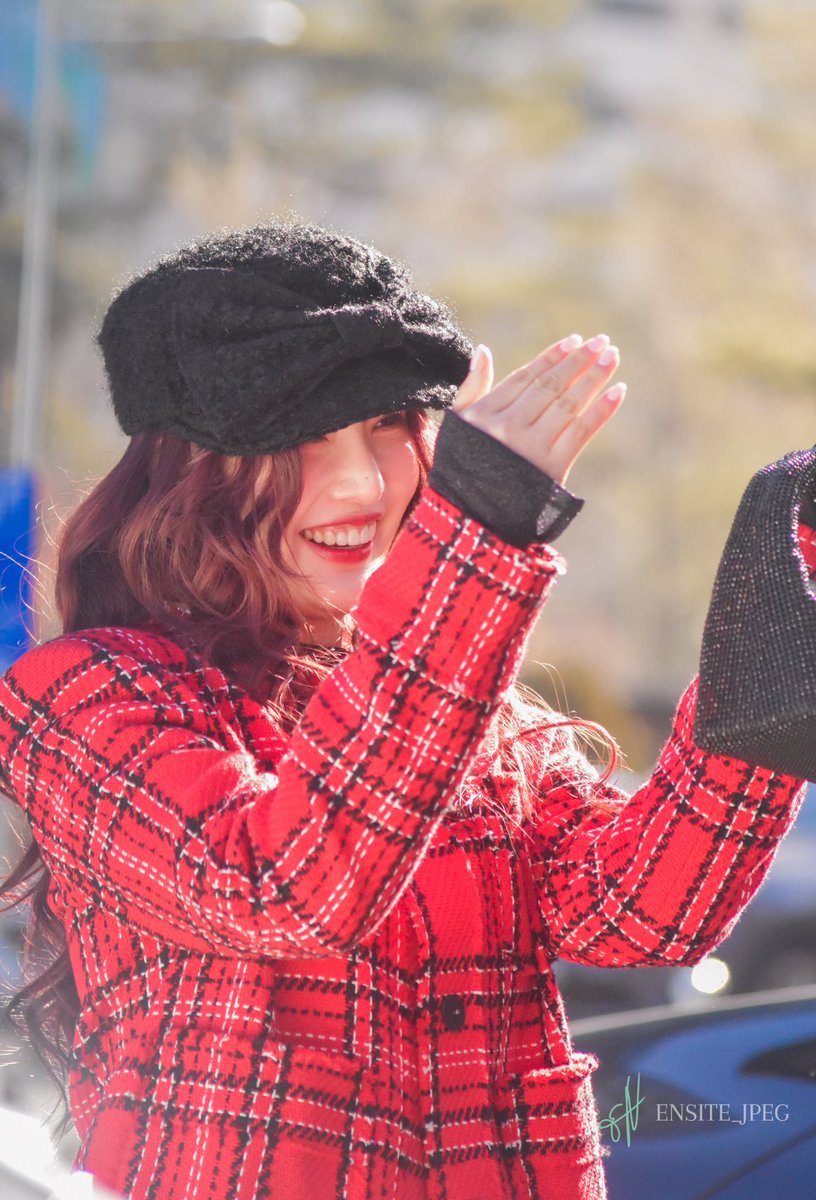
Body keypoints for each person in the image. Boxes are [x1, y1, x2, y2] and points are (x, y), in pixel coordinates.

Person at [0, 220, 812, 1200]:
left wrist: (766, 689)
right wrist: (471, 540)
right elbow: (282, 886)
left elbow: (635, 918)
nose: (360, 484)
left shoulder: (454, 693)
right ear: (185, 471)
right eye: (298, 436)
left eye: (388, 426)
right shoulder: (82, 696)